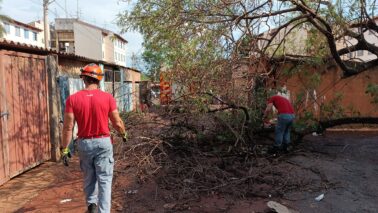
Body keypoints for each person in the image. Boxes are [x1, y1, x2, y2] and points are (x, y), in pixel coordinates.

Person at [61, 63, 127, 213]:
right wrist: (123, 133)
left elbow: (68, 127)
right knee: (104, 179)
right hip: (103, 142)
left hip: (84, 143)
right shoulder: (107, 98)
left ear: (84, 78)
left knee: (89, 177)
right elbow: (117, 122)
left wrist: (64, 148)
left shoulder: (72, 99)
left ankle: (91, 204)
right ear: (98, 80)